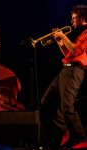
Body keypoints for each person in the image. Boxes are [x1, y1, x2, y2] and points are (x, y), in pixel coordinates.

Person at [40, 4, 87, 149]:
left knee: (67, 106)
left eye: (74, 18)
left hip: (75, 71)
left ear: (83, 19)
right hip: (65, 70)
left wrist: (62, 35)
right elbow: (68, 55)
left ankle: (82, 141)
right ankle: (66, 129)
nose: (72, 22)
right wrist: (60, 43)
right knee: (45, 103)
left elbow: (75, 50)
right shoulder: (80, 33)